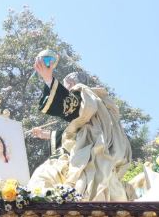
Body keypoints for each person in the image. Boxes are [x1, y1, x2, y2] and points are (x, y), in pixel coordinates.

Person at [28, 59, 133, 202]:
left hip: (88, 158)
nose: (67, 90)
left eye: (66, 87)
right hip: (106, 158)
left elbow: (72, 107)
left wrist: (48, 79)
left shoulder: (85, 94)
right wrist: (47, 135)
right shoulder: (104, 106)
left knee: (42, 177)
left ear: (71, 84)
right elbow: (79, 131)